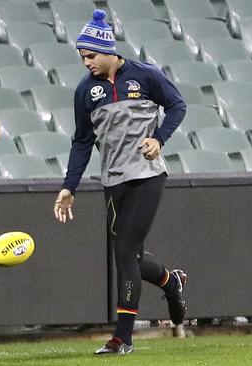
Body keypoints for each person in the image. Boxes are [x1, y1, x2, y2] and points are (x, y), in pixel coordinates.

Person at [53, 10, 188, 355]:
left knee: (125, 252)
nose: (86, 63)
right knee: (133, 256)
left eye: (90, 55)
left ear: (108, 50)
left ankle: (122, 338)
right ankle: (171, 283)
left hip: (147, 176)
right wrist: (69, 186)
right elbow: (82, 141)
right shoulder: (85, 92)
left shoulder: (145, 75)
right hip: (113, 182)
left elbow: (177, 106)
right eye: (82, 57)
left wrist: (158, 138)